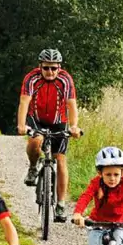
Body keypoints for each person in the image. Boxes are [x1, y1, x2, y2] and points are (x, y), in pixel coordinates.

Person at [16, 48, 82, 221]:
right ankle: (32, 167)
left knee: (60, 160)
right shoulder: (31, 78)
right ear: (40, 66)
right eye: (46, 68)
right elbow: (24, 102)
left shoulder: (65, 80)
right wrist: (21, 125)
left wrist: (74, 126)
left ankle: (60, 205)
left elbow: (71, 105)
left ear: (59, 67)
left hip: (58, 121)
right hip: (36, 119)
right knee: (34, 142)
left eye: (54, 68)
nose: (50, 72)